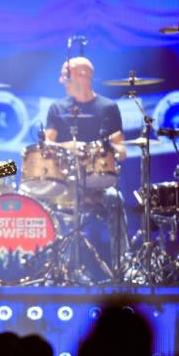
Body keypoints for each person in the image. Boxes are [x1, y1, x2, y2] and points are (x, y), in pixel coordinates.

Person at [45, 56, 130, 281]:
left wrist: (105, 147)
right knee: (53, 205)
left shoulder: (108, 107)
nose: (63, 79)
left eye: (67, 74)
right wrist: (68, 146)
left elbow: (121, 149)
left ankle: (123, 268)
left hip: (99, 182)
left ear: (83, 75)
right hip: (67, 182)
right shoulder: (58, 107)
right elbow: (47, 144)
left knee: (116, 199)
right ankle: (64, 271)